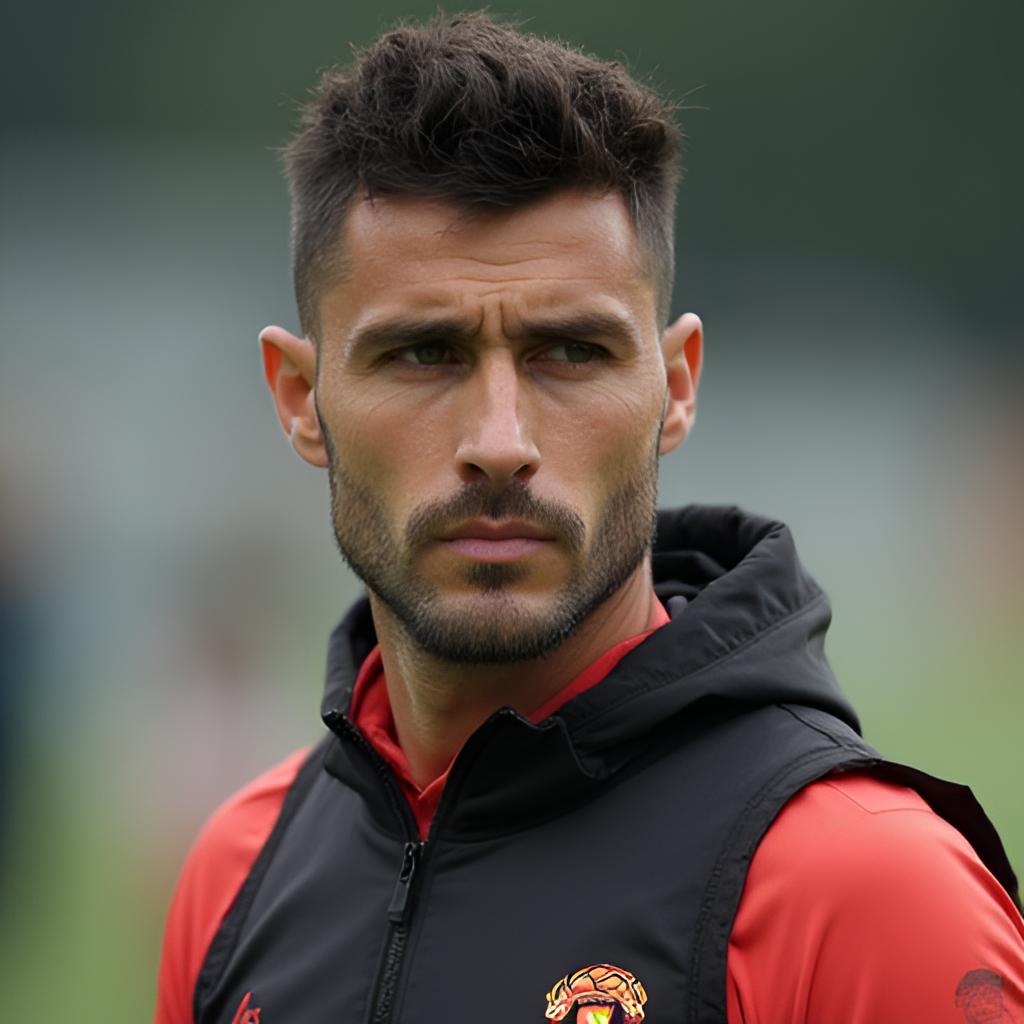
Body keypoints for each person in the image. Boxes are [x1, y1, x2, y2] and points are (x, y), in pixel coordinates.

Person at [154, 13, 1024, 1024]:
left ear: (677, 386)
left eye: (570, 352)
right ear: (301, 399)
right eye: (423, 354)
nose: (499, 440)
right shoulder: (236, 873)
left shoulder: (866, 892)